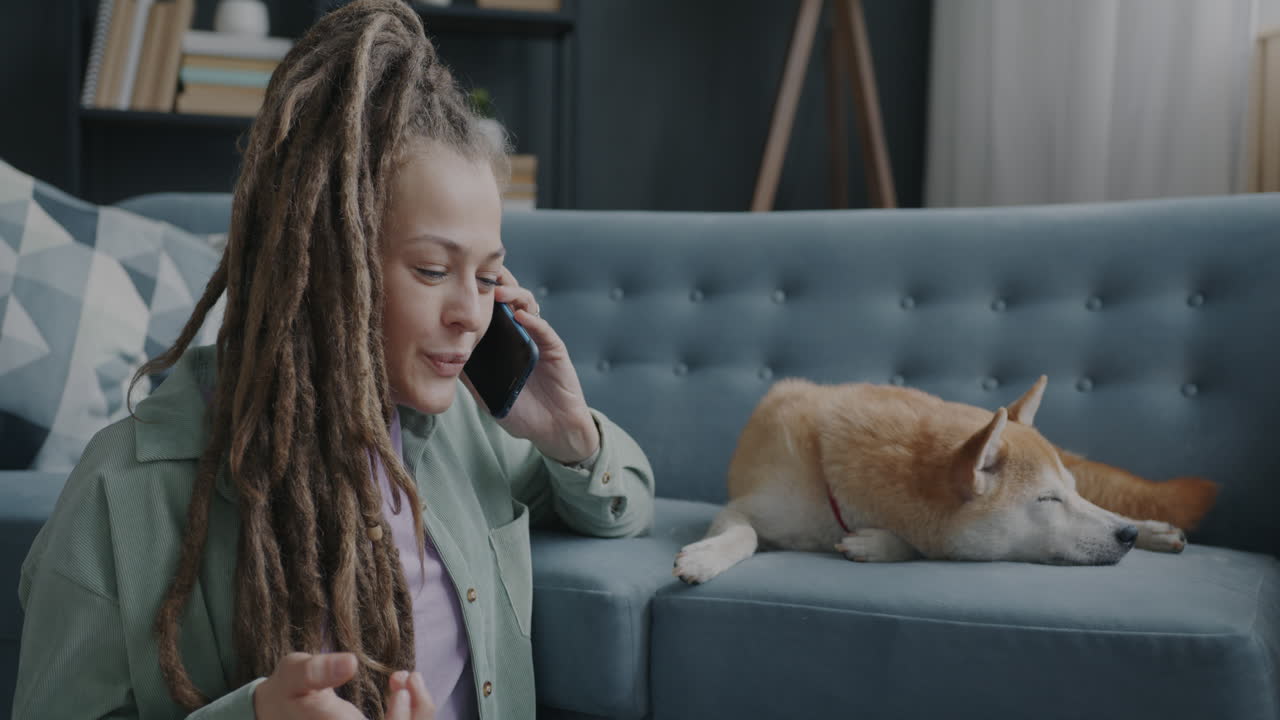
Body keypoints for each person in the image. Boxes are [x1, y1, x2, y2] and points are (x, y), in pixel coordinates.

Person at [12, 1, 655, 718]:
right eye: (433, 270)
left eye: (485, 275)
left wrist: (569, 435)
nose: (470, 314)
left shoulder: (469, 436)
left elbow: (620, 507)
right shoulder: (121, 496)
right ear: (327, 264)